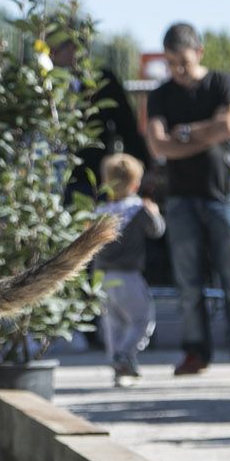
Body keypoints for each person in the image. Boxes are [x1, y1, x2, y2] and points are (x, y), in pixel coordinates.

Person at [146, 21, 230, 379]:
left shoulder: (221, 83)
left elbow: (229, 128)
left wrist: (183, 134)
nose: (178, 71)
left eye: (183, 62)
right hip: (181, 199)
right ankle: (195, 352)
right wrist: (206, 132)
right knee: (188, 283)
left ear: (198, 52)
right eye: (171, 63)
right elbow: (158, 144)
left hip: (224, 196)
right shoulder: (161, 94)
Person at [52, 35, 152, 204]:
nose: (51, 54)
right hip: (50, 178)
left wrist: (145, 167)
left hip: (90, 178)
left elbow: (126, 126)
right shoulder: (42, 82)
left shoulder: (102, 80)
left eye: (57, 48)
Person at [94, 153, 165, 387]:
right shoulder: (137, 209)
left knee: (113, 324)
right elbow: (156, 230)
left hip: (102, 277)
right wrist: (154, 212)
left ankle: (119, 369)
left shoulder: (100, 212)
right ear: (136, 184)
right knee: (142, 319)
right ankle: (125, 355)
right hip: (129, 275)